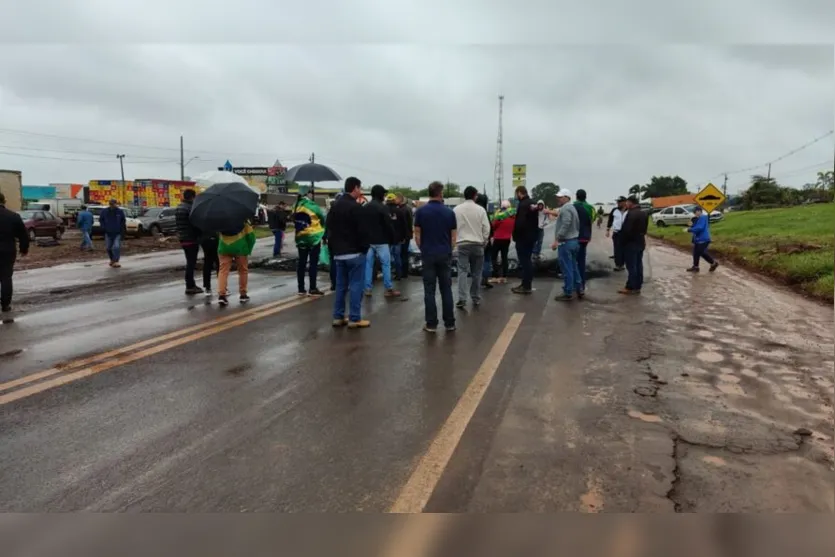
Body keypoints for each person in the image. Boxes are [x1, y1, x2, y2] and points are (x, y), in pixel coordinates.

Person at [326, 177, 370, 328]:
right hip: (355, 253)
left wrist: (332, 248)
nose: (361, 191)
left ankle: (338, 317)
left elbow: (329, 229)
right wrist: (364, 248)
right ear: (355, 188)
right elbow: (363, 231)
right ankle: (354, 318)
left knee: (341, 286)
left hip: (338, 253)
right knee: (356, 285)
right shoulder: (356, 208)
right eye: (360, 188)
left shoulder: (334, 206)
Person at [414, 181, 457, 333]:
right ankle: (450, 323)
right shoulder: (449, 213)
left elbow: (417, 235)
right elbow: (453, 237)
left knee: (429, 290)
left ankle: (431, 324)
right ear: (441, 193)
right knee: (446, 289)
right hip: (444, 253)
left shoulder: (420, 212)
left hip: (428, 254)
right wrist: (448, 250)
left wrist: (423, 249)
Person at [453, 185, 491, 309]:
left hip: (462, 244)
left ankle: (462, 298)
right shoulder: (480, 210)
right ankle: (475, 297)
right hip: (477, 244)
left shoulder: (456, 209)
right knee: (477, 272)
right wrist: (484, 240)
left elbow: (453, 227)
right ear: (475, 196)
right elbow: (487, 228)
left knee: (462, 271)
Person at [362, 185, 400, 298]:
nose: (384, 196)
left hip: (368, 242)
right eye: (383, 193)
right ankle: (388, 289)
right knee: (386, 265)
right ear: (380, 194)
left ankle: (367, 289)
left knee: (368, 265)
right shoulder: (382, 208)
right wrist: (393, 239)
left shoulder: (365, 207)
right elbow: (388, 225)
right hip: (382, 241)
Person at [550, 189, 583, 301]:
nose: (558, 199)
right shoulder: (572, 208)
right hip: (574, 240)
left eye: (560, 197)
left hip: (566, 242)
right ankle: (579, 288)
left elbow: (566, 223)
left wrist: (557, 239)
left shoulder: (566, 208)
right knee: (574, 266)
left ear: (567, 198)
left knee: (567, 268)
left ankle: (568, 291)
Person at [0, 192, 29, 313]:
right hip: (7, 250)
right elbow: (23, 234)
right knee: (6, 277)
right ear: (4, 201)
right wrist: (24, 248)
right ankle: (5, 305)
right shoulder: (13, 216)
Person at [293, 191, 326, 297]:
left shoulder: (295, 205)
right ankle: (312, 288)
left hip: (300, 238)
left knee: (301, 263)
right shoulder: (313, 206)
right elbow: (322, 218)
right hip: (313, 239)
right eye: (312, 193)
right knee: (313, 264)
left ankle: (301, 289)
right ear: (308, 194)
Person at [217, 219, 256, 306]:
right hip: (240, 248)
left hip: (224, 247)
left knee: (223, 271)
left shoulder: (220, 221)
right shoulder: (243, 221)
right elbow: (251, 237)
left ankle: (222, 295)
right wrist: (248, 249)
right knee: (243, 271)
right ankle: (243, 294)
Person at [511, 185, 540, 294]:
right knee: (527, 260)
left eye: (516, 194)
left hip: (523, 237)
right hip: (532, 236)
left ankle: (526, 285)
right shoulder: (533, 203)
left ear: (519, 192)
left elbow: (520, 223)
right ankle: (526, 283)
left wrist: (515, 235)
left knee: (524, 261)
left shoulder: (523, 204)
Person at [175, 189, 204, 295]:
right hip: (191, 239)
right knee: (191, 263)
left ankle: (191, 284)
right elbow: (195, 224)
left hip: (183, 238)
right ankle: (190, 286)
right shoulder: (190, 208)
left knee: (189, 262)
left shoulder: (179, 207)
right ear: (192, 197)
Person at [619, 196, 649, 295]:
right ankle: (637, 286)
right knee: (638, 264)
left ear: (631, 203)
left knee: (631, 266)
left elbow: (626, 230)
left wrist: (622, 242)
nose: (626, 204)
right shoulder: (644, 213)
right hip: (640, 241)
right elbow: (645, 230)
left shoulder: (631, 214)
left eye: (627, 202)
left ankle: (630, 287)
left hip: (631, 243)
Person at [573, 189, 595, 290]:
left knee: (573, 261)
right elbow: (593, 219)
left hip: (574, 237)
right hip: (585, 237)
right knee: (582, 261)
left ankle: (575, 283)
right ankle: (582, 283)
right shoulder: (591, 208)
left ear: (576, 196)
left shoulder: (573, 206)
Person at [687, 206, 719, 273]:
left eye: (697, 211)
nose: (696, 213)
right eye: (695, 212)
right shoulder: (697, 219)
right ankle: (695, 267)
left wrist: (689, 229)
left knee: (701, 252)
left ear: (700, 211)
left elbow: (700, 228)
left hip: (703, 239)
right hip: (697, 239)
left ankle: (714, 263)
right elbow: (695, 227)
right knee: (695, 253)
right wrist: (691, 225)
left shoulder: (703, 217)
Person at [490, 200, 515, 284]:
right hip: (507, 239)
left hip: (498, 238)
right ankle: (504, 277)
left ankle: (496, 276)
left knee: (494, 257)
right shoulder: (513, 217)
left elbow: (493, 225)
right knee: (504, 258)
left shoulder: (500, 216)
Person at [385, 193, 407, 281]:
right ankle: (399, 274)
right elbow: (404, 225)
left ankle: (388, 275)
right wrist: (404, 237)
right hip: (397, 239)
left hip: (386, 239)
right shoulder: (399, 211)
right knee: (397, 257)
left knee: (387, 258)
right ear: (394, 200)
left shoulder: (384, 210)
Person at [99, 198, 126, 268]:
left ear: (115, 204)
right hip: (108, 233)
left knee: (116, 247)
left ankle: (116, 261)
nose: (112, 205)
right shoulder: (104, 211)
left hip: (117, 233)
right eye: (111, 204)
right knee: (108, 248)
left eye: (113, 204)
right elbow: (101, 220)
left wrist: (122, 232)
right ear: (109, 204)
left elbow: (123, 221)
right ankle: (112, 260)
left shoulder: (119, 212)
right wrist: (103, 227)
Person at [476, 194, 494, 290]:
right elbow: (489, 226)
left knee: (477, 262)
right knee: (487, 260)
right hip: (485, 239)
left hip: (475, 239)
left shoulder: (475, 211)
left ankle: (477, 279)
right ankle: (485, 279)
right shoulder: (484, 212)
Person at [606, 196, 627, 271]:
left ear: (625, 202)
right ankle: (618, 265)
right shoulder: (614, 210)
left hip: (626, 233)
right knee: (617, 249)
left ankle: (622, 263)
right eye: (617, 202)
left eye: (620, 202)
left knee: (624, 249)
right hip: (617, 232)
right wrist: (608, 230)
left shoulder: (629, 211)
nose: (618, 203)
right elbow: (610, 220)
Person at [398, 193, 414, 280]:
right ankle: (405, 272)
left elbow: (404, 225)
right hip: (407, 235)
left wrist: (403, 236)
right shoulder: (408, 209)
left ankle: (403, 272)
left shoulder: (402, 210)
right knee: (404, 254)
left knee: (402, 254)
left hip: (404, 236)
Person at [200, 229, 219, 295]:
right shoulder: (215, 219)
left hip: (204, 239)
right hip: (215, 238)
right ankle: (223, 286)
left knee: (207, 263)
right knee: (218, 263)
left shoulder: (200, 219)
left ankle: (207, 287)